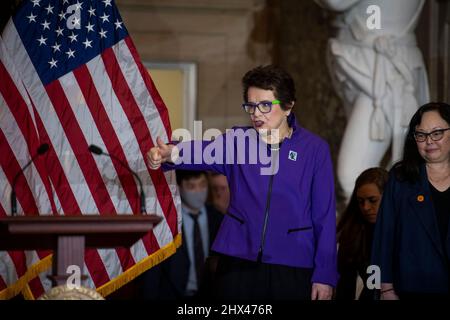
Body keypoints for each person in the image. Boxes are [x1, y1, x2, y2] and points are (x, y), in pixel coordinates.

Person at [147, 65, 338, 300]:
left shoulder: (315, 149)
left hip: (293, 263)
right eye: (251, 106)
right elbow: (200, 151)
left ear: (288, 106)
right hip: (237, 261)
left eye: (265, 105)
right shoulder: (239, 142)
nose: (256, 114)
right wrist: (170, 154)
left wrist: (325, 274)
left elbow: (325, 216)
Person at [314, 0, 429, 201]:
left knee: (353, 175)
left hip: (382, 76)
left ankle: (380, 228)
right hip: (366, 69)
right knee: (363, 173)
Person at [371, 102, 450, 300]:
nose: (429, 141)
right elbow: (383, 240)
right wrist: (384, 289)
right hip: (410, 291)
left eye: (437, 133)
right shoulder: (400, 179)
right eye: (421, 135)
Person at [140, 170, 223, 300]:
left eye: (202, 185)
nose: (198, 191)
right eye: (191, 187)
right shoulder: (165, 222)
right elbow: (152, 275)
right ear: (179, 188)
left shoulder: (218, 218)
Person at [335, 167, 388, 300]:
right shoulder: (353, 234)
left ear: (389, 196)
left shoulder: (409, 230)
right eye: (360, 202)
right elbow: (345, 289)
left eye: (372, 200)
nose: (366, 207)